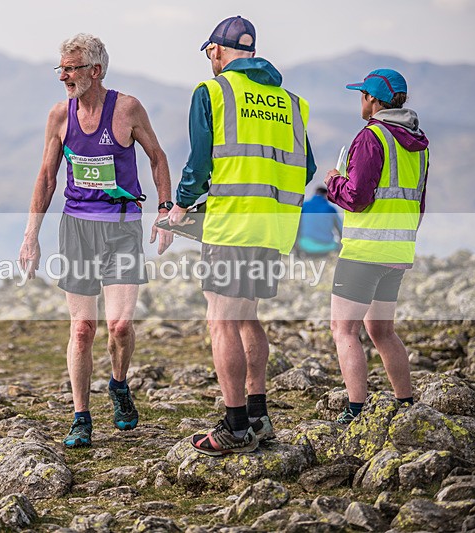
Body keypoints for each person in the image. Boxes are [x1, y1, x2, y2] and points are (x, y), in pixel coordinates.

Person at [167, 16, 316, 455]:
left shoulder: (212, 92)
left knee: (221, 320)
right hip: (274, 227)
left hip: (232, 224)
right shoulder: (292, 102)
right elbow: (305, 169)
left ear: (216, 51)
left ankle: (234, 425)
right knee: (247, 316)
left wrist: (179, 205)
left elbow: (200, 162)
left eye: (209, 53)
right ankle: (258, 416)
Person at [18, 34, 173, 448]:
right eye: (62, 68)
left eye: (71, 68)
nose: (64, 76)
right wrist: (31, 235)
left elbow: (157, 157)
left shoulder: (127, 109)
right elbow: (47, 177)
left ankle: (119, 384)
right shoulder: (59, 116)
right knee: (83, 327)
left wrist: (164, 208)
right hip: (76, 229)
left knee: (120, 326)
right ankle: (81, 415)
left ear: (95, 71)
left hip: (121, 227)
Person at [324, 69, 429, 423]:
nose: (361, 101)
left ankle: (355, 409)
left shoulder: (373, 137)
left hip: (364, 251)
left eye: (362, 95)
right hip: (398, 251)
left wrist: (334, 182)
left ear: (371, 99)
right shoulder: (419, 145)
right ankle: (406, 402)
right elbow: (419, 203)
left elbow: (356, 197)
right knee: (382, 330)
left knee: (344, 330)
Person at [296, 186, 342, 256]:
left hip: (305, 246)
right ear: (326, 196)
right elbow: (341, 230)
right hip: (326, 247)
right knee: (336, 244)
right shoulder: (331, 209)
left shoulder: (305, 206)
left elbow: (297, 226)